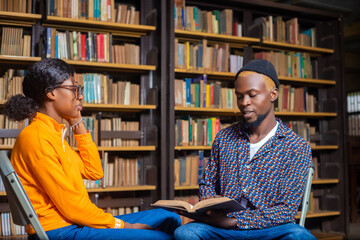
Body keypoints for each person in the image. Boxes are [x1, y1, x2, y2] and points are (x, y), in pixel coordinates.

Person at [4, 58, 181, 240]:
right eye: (74, 89)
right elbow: (72, 208)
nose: (80, 96)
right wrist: (123, 225)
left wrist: (76, 122)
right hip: (60, 231)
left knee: (169, 217)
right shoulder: (38, 138)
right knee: (162, 237)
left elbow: (94, 171)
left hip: (73, 224)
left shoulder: (54, 134)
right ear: (51, 93)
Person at [174, 59, 316, 240]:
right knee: (185, 233)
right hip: (222, 228)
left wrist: (235, 221)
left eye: (252, 94)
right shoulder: (224, 138)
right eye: (239, 96)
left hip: (269, 229)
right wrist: (211, 207)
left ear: (273, 95)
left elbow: (285, 210)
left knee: (300, 237)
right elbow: (207, 183)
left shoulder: (296, 147)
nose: (244, 102)